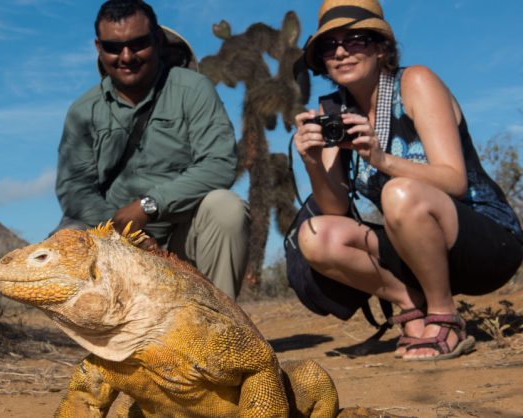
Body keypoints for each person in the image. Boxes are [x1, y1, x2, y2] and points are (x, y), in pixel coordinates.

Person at [292, 0, 523, 360]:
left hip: (485, 242)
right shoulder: (333, 112)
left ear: (380, 46)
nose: (341, 52)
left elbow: (454, 181)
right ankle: (409, 303)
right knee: (316, 234)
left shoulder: (414, 82)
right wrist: (311, 162)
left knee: (399, 193)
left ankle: (445, 316)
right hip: (416, 248)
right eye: (329, 46)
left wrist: (381, 159)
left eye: (355, 39)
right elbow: (336, 209)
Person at [54, 0, 250, 299]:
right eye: (113, 47)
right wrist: (125, 235)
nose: (127, 56)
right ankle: (103, 343)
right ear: (98, 47)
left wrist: (149, 205)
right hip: (112, 238)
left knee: (226, 208)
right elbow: (74, 189)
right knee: (65, 239)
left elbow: (219, 164)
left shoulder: (194, 89)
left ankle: (215, 333)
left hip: (184, 236)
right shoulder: (83, 110)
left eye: (138, 44)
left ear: (157, 40)